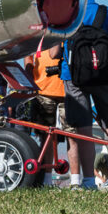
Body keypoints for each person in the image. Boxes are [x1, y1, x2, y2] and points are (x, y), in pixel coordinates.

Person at [50, 0, 108, 189]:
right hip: (105, 79)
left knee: (83, 130)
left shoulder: (66, 15)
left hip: (73, 78)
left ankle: (89, 182)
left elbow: (54, 53)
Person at [24, 45, 67, 185]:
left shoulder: (67, 25)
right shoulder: (37, 28)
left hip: (67, 88)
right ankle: (47, 180)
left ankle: (76, 180)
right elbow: (28, 57)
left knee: (72, 136)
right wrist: (29, 81)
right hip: (42, 88)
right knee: (45, 137)